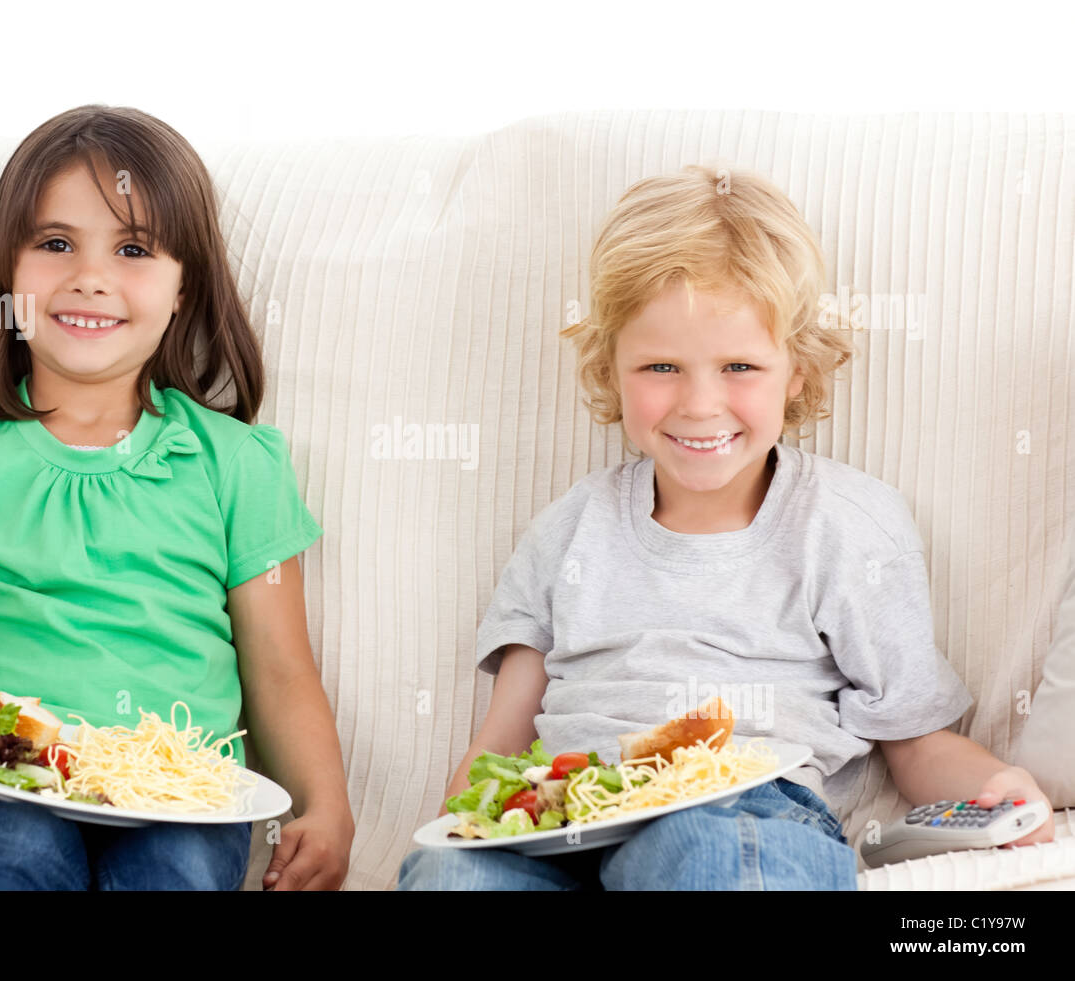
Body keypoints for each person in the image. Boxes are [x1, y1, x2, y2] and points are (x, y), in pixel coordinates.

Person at [399, 164, 1054, 890]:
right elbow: (501, 739)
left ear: (796, 369)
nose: (701, 403)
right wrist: (462, 836)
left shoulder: (846, 525)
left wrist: (998, 782)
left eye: (739, 365)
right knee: (447, 874)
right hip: (567, 810)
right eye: (661, 366)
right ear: (612, 367)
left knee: (716, 858)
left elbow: (914, 739)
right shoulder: (569, 530)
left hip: (745, 808)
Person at [0, 104, 354, 891]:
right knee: (14, 859)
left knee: (177, 873)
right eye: (55, 243)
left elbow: (282, 670)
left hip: (179, 793)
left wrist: (326, 806)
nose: (90, 276)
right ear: (7, 273)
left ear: (182, 286)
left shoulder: (238, 464)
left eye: (133, 249)